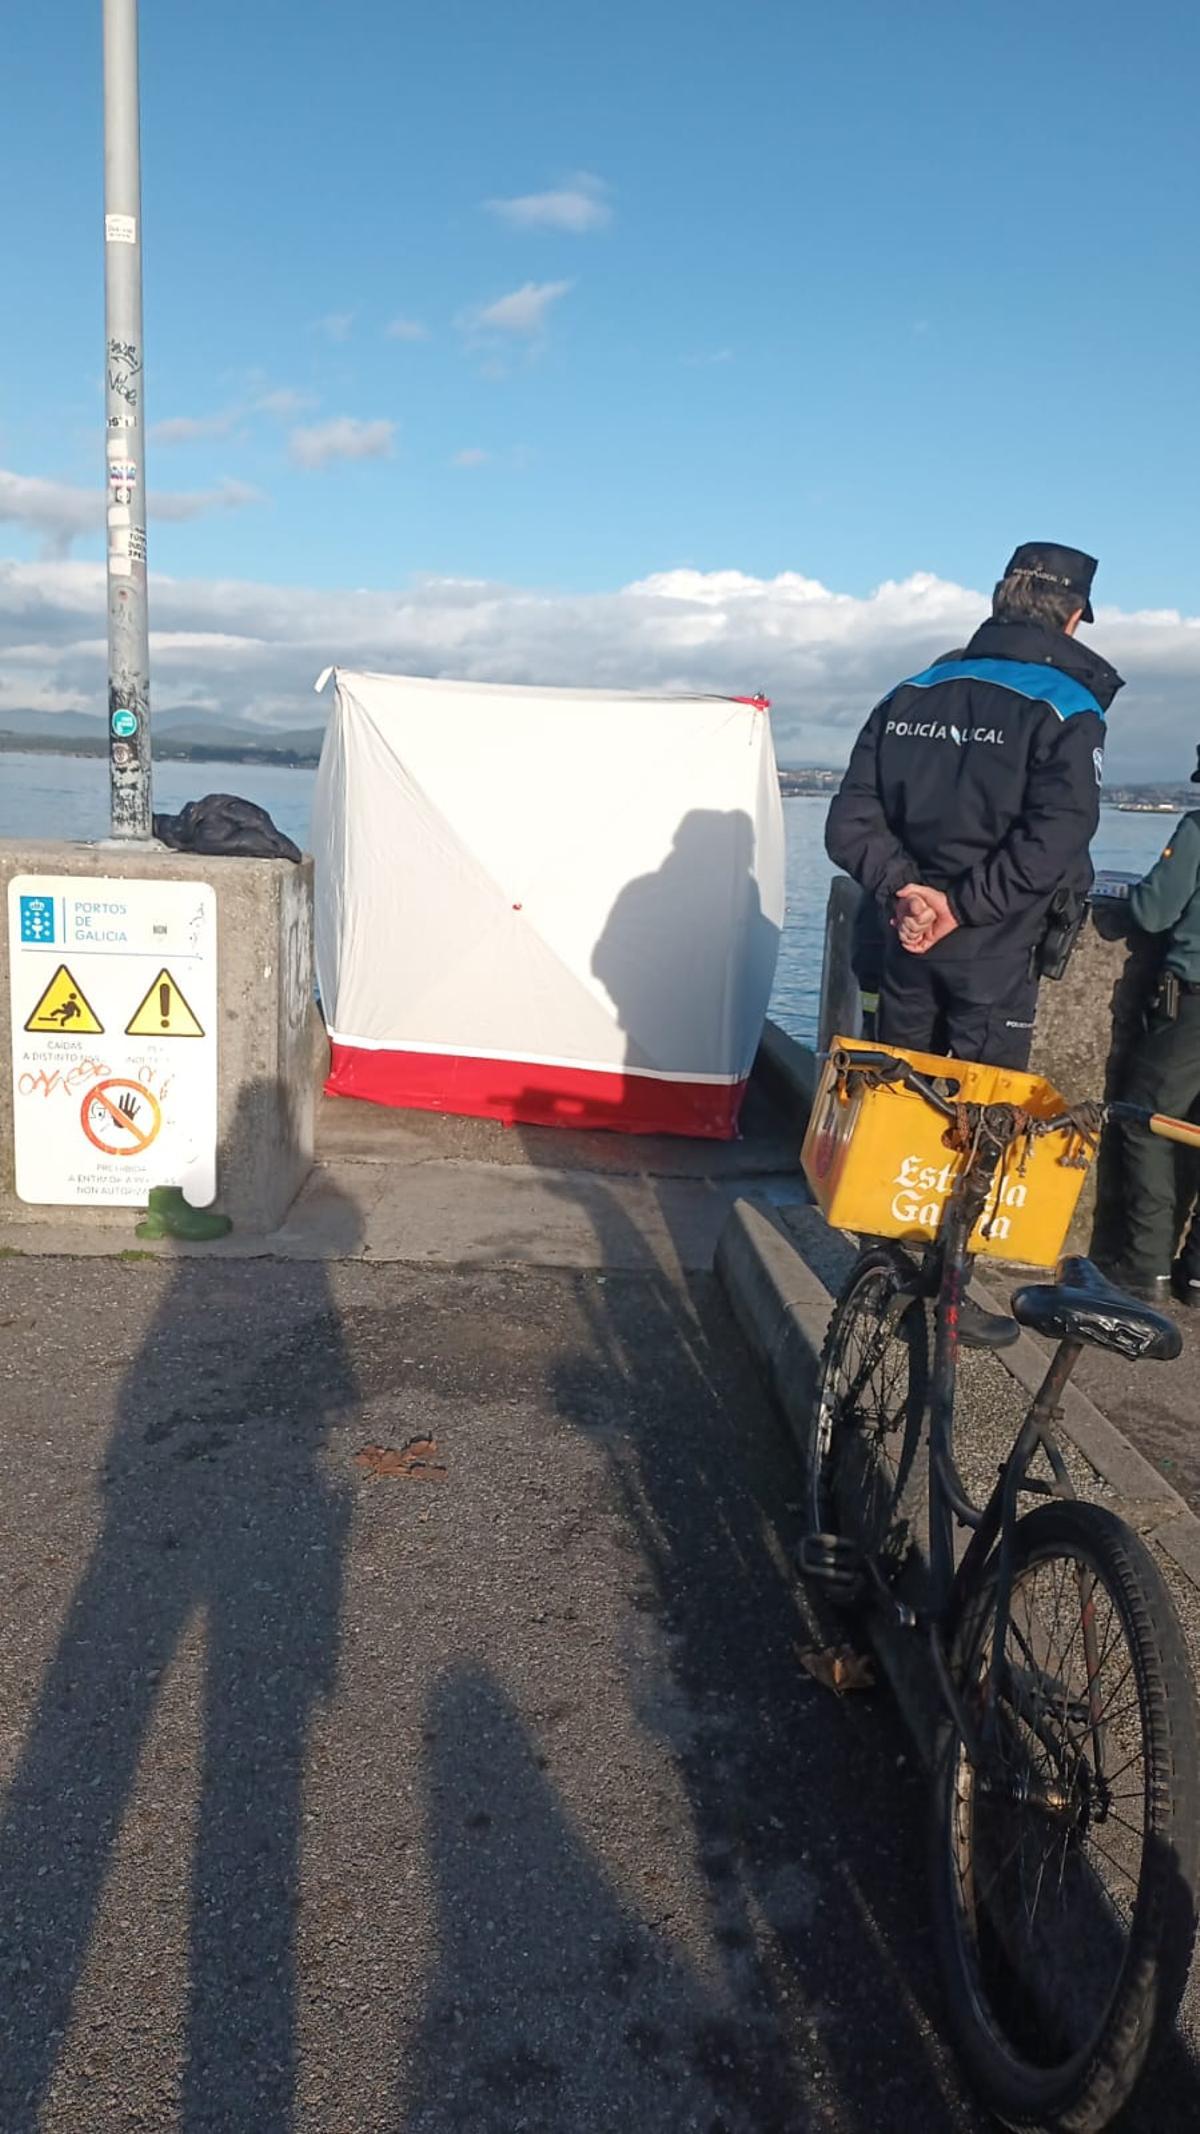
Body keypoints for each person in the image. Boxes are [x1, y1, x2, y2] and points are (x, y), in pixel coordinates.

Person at [825, 542, 1124, 1072]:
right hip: (995, 951)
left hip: (902, 938)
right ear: (1074, 619)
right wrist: (958, 908)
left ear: (998, 600)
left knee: (892, 1098)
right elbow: (1056, 837)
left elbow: (850, 823)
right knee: (980, 1118)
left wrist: (906, 891)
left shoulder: (910, 692)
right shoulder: (1068, 707)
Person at [1111, 747, 1200, 1305]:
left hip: (1191, 1009)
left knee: (1144, 1120)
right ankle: (1197, 1273)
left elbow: (1152, 911)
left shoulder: (1197, 827)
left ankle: (1145, 1267)